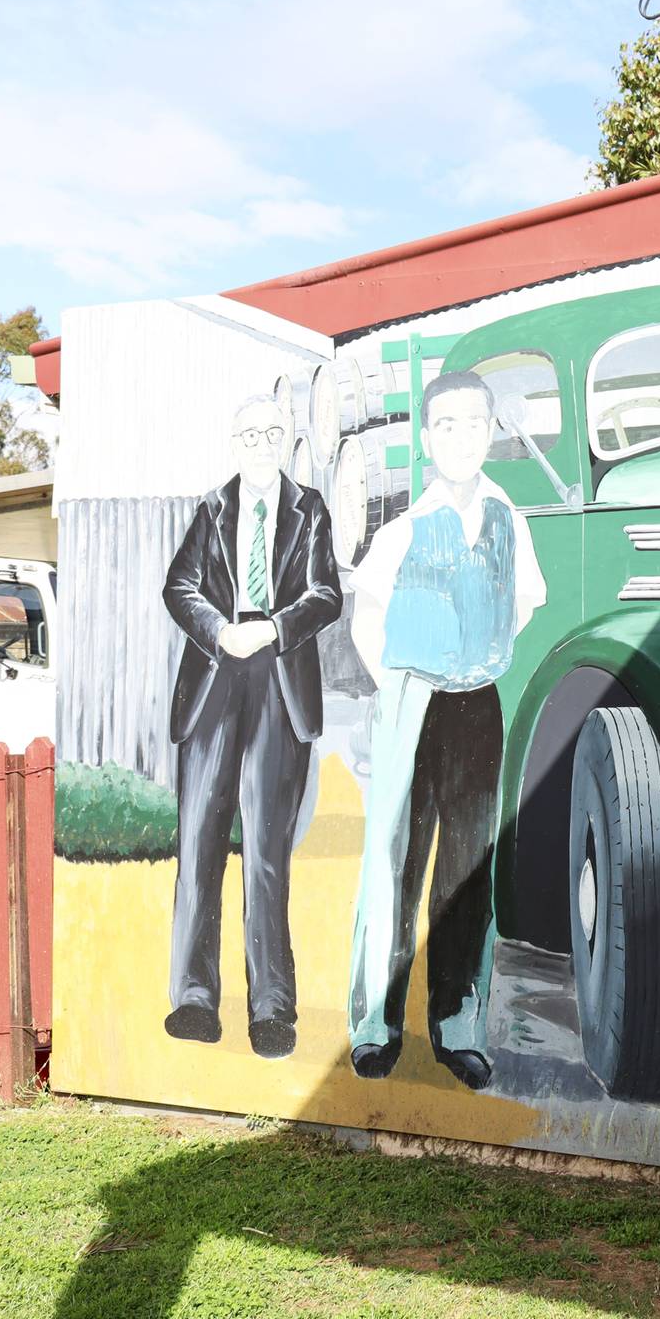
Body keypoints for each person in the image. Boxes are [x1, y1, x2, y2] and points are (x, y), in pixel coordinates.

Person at [345, 370, 546, 1090]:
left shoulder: (506, 519)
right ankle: (376, 1023)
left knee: (466, 868)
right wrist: (403, 681)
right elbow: (368, 617)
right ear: (428, 439)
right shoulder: (402, 529)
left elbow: (523, 602)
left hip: (477, 704)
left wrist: (477, 658)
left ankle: (458, 1024)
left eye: (474, 423)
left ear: (491, 431)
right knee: (396, 861)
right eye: (448, 426)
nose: (462, 437)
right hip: (411, 702)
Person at [162, 394, 342, 1058]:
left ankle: (271, 1006)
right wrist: (218, 630)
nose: (261, 441)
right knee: (200, 839)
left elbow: (326, 593)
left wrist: (272, 627)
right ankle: (193, 997)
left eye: (272, 431)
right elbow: (179, 586)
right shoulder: (213, 508)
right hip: (214, 677)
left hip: (279, 676)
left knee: (266, 847)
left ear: (289, 438)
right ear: (234, 443)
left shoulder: (310, 508)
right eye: (249, 433)